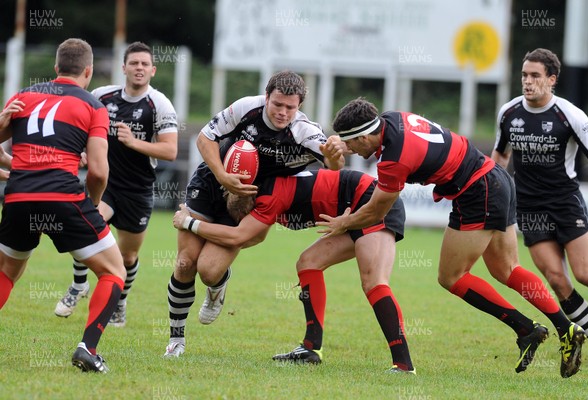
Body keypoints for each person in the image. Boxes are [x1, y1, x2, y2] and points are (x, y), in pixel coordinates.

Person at [316, 97, 586, 378]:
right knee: (507, 269)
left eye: (354, 144)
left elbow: (376, 211)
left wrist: (344, 222)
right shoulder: (391, 119)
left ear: (362, 135)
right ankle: (565, 328)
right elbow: (368, 144)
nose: (356, 153)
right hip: (496, 177)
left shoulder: (394, 159)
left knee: (451, 277)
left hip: (476, 192)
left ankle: (525, 328)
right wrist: (342, 144)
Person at [164, 70, 345, 357]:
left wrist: (335, 153)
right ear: (267, 96)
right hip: (211, 182)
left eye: (291, 107)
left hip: (246, 200)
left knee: (209, 271)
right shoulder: (246, 108)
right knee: (186, 263)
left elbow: (333, 165)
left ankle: (218, 286)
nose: (283, 112)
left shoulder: (305, 131)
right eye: (277, 104)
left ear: (299, 106)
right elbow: (204, 139)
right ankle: (176, 339)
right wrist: (222, 175)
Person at [173, 168, 415, 373]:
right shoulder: (264, 201)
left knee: (373, 282)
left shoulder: (268, 198)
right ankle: (311, 348)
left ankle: (404, 365)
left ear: (248, 210)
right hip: (350, 210)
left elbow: (239, 235)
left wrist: (189, 223)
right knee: (308, 262)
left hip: (371, 202)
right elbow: (250, 238)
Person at [0, 38, 126, 372]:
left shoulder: (22, 97)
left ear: (56, 68)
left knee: (5, 273)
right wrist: (92, 206)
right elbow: (98, 171)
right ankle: (88, 348)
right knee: (114, 272)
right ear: (89, 71)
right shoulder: (92, 106)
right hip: (64, 198)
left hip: (18, 197)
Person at [54, 41, 178, 327]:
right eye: (134, 63)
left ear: (153, 70)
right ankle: (78, 285)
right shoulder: (101, 95)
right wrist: (81, 150)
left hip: (138, 191)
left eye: (144, 64)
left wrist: (133, 142)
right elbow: (80, 127)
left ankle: (120, 302)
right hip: (106, 184)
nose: (139, 68)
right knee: (86, 230)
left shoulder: (158, 103)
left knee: (128, 255)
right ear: (123, 67)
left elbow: (170, 151)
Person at [492, 48, 588, 364]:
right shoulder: (509, 113)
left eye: (535, 76)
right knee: (556, 278)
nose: (528, 81)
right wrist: (493, 196)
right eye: (524, 75)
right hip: (529, 209)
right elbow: (499, 158)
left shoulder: (571, 115)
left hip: (566, 204)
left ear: (551, 80)